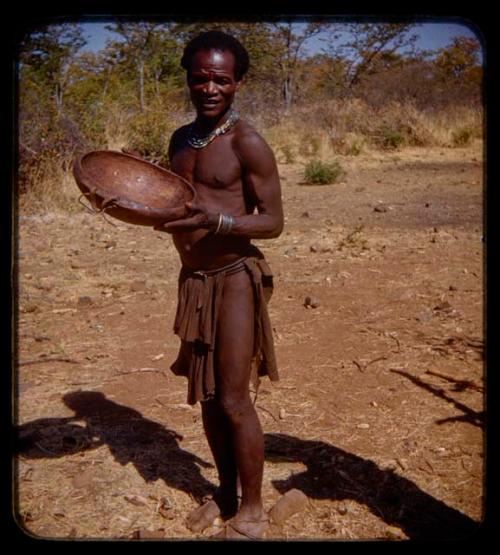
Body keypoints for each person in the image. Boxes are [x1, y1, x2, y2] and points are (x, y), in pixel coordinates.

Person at [154, 31, 284, 539]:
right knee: (208, 397)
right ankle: (225, 494)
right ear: (188, 77)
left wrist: (221, 224)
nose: (210, 88)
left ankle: (251, 511)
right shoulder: (179, 141)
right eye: (201, 77)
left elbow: (273, 221)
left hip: (233, 280)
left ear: (238, 83)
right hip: (195, 282)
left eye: (222, 80)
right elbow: (174, 209)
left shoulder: (246, 142)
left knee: (233, 398)